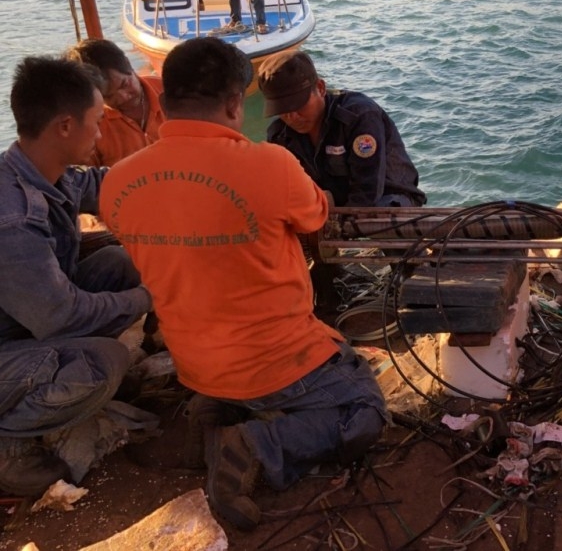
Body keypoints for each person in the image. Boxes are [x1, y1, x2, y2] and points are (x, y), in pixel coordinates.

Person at [100, 38, 387, 531]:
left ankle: (215, 416)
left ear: (164, 104)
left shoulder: (116, 182)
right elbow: (318, 216)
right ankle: (256, 444)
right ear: (236, 103)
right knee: (365, 409)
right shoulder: (271, 164)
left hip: (195, 363)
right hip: (276, 364)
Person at [0, 57, 151, 498]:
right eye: (97, 123)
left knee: (119, 262)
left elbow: (106, 183)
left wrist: (179, 165)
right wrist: (147, 299)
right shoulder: (14, 219)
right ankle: (9, 443)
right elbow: (61, 316)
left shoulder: (41, 171)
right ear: (65, 126)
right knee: (103, 364)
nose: (101, 134)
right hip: (17, 338)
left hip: (25, 323)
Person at [258, 50, 426, 209]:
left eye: (298, 105)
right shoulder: (279, 134)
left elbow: (368, 192)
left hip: (389, 197)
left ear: (321, 88)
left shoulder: (360, 116)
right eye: (282, 109)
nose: (292, 116)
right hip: (330, 201)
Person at [66, 38, 166, 167]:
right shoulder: (89, 127)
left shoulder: (171, 91)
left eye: (124, 84)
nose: (123, 97)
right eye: (108, 96)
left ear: (128, 64)